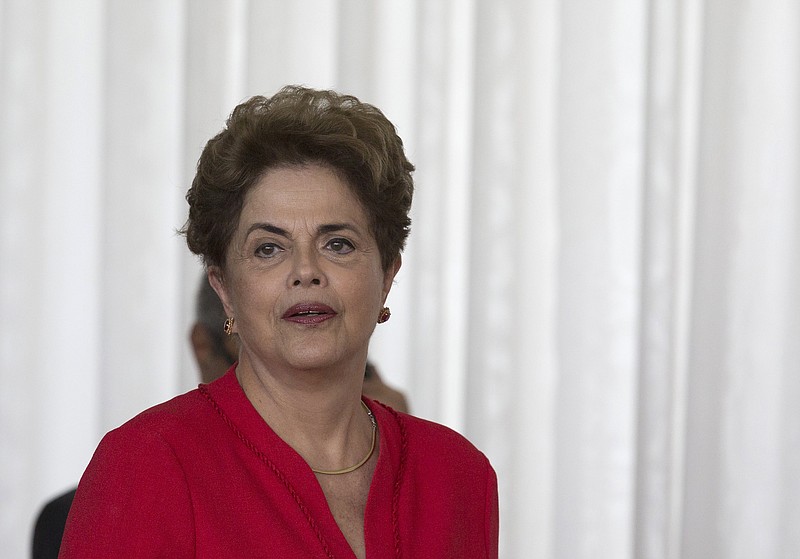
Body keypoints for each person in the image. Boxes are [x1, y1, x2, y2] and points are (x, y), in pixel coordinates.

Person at [59, 85, 498, 558]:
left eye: (338, 244)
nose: (306, 271)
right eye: (269, 248)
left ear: (388, 273)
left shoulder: (459, 476)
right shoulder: (147, 466)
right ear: (224, 286)